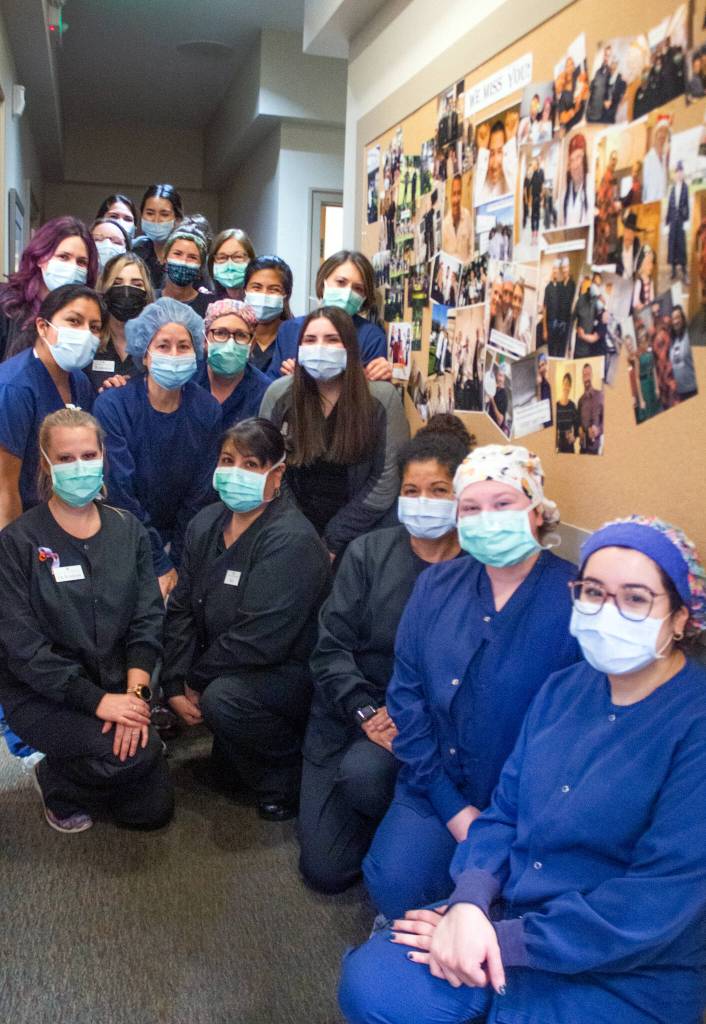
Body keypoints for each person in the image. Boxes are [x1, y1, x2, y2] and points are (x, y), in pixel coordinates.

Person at [340, 515, 706, 1024]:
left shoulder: (694, 726)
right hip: (512, 911)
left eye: (636, 598)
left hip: (626, 965)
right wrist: (469, 901)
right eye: (593, 592)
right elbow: (504, 811)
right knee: (372, 982)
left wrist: (500, 939)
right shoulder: (564, 689)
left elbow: (658, 902)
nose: (607, 612)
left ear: (682, 617)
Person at [361, 445, 581, 919]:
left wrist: (501, 826)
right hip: (438, 786)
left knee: (513, 902)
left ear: (538, 513)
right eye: (472, 508)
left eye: (503, 505)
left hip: (530, 807)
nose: (487, 519)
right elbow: (407, 698)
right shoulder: (436, 587)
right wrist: (455, 811)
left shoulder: (576, 601)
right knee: (393, 882)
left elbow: (577, 734)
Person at [298, 425, 470, 894]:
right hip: (356, 713)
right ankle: (392, 821)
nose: (423, 501)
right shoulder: (367, 552)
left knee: (369, 775)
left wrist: (416, 724)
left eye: (439, 491)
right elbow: (330, 648)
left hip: (433, 727)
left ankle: (407, 828)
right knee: (325, 870)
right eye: (412, 490)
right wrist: (366, 713)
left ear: (462, 496)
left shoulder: (479, 566)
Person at [0, 407, 173, 833]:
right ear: (46, 464)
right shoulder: (17, 542)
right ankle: (56, 778)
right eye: (65, 459)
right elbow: (24, 650)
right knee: (138, 753)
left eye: (88, 455)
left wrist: (135, 696)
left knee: (149, 814)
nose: (79, 467)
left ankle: (103, 767)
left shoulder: (128, 529)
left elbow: (147, 620)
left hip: (120, 685)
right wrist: (99, 702)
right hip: (44, 697)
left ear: (102, 458)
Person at [161, 417, 331, 821]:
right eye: (227, 460)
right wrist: (173, 681)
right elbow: (182, 605)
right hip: (224, 661)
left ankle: (288, 775)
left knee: (224, 700)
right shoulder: (206, 523)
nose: (236, 473)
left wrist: (195, 682)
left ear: (277, 475)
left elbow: (261, 638)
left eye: (252, 465)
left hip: (287, 670)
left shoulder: (292, 539)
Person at [93, 298, 222, 599]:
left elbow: (200, 495)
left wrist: (177, 560)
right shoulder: (113, 406)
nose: (174, 355)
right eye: (163, 346)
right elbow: (121, 492)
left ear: (197, 352)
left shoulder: (207, 409)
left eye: (183, 346)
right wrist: (159, 563)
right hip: (124, 536)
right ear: (146, 355)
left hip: (183, 542)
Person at [260, 306, 409, 562]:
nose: (320, 348)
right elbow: (266, 466)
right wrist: (301, 533)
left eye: (332, 340)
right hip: (289, 526)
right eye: (310, 340)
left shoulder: (382, 398)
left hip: (360, 532)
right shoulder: (278, 393)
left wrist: (333, 539)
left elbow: (387, 479)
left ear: (350, 347)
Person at [0, 284, 102, 528]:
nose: (85, 333)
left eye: (95, 327)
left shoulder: (78, 381)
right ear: (43, 327)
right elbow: (5, 488)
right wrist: (11, 552)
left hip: (61, 517)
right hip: (21, 519)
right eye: (74, 322)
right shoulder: (14, 387)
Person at [268, 251, 390, 382]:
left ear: (364, 297)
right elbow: (273, 384)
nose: (348, 292)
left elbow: (371, 390)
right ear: (323, 282)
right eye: (341, 282)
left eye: (358, 288)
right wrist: (288, 381)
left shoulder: (371, 337)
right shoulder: (290, 330)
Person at [0, 217, 98, 361]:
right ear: (40, 257)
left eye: (81, 262)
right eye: (63, 257)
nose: (73, 267)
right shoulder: (6, 303)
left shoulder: (84, 318)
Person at [198, 299, 269, 429]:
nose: (230, 344)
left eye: (241, 335)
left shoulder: (263, 392)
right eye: (220, 333)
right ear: (205, 340)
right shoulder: (188, 381)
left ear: (251, 345)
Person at [87, 253, 154, 392]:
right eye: (117, 283)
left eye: (136, 284)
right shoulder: (88, 341)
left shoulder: (156, 344)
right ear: (104, 290)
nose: (126, 292)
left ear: (147, 293)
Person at [242, 255, 294, 375]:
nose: (264, 295)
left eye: (274, 289)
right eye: (256, 287)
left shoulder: (293, 337)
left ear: (286, 295)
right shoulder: (235, 336)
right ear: (245, 290)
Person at [132, 184, 184, 289]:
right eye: (150, 213)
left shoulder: (189, 253)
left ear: (177, 219)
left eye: (164, 214)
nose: (156, 220)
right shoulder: (135, 251)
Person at [157, 226, 214, 317]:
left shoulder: (211, 306)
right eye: (177, 254)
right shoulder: (149, 299)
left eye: (192, 257)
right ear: (165, 258)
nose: (183, 261)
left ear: (201, 266)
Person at [208, 229, 256, 300]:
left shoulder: (259, 302)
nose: (230, 266)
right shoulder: (206, 303)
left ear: (251, 260)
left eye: (237, 257)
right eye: (222, 257)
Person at [666, 161, 690, 282]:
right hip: (672, 222)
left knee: (681, 246)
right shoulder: (672, 188)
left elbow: (687, 205)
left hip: (680, 221)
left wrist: (686, 220)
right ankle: (674, 271)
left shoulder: (685, 188)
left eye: (681, 172)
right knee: (672, 246)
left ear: (682, 173)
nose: (679, 174)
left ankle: (685, 272)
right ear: (675, 174)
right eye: (677, 172)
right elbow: (669, 206)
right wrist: (667, 222)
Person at [476, 120, 510, 204]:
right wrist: (482, 149)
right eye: (491, 154)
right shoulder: (480, 181)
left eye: (500, 152)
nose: (494, 165)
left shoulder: (511, 181)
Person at [561, 132, 590, 226]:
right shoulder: (564, 195)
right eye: (572, 160)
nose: (575, 165)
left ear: (585, 160)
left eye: (579, 157)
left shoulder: (591, 188)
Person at [634, 324, 661, 423]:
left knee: (655, 411)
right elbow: (636, 378)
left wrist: (657, 387)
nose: (642, 341)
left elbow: (653, 368)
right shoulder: (637, 355)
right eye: (640, 338)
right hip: (644, 385)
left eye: (644, 337)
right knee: (648, 415)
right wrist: (640, 399)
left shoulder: (650, 350)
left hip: (652, 383)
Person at [669, 305, 697, 401]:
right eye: (673, 319)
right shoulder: (673, 341)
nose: (675, 321)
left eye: (677, 317)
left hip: (694, 389)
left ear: (683, 318)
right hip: (681, 393)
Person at [442, 175, 472, 260]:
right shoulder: (445, 225)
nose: (456, 199)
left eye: (459, 193)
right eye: (453, 194)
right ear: (449, 195)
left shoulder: (467, 216)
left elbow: (471, 250)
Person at [577, 363, 604, 454]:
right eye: (584, 375)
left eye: (588, 374)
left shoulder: (600, 395)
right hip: (582, 448)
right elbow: (578, 422)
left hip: (594, 450)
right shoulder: (580, 401)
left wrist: (598, 430)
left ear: (592, 376)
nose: (586, 378)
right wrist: (579, 428)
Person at [642, 119, 670, 203]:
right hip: (651, 202)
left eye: (665, 132)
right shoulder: (648, 158)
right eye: (661, 131)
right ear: (656, 134)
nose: (663, 135)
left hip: (664, 201)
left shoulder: (665, 158)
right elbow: (646, 186)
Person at [610, 211, 644, 278]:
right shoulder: (617, 244)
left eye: (632, 232)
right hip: (619, 280)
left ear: (634, 235)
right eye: (627, 231)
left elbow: (640, 265)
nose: (629, 235)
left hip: (632, 281)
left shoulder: (637, 245)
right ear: (624, 231)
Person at [555, 371, 578, 452]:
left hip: (570, 447)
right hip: (559, 447)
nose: (566, 387)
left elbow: (577, 425)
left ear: (570, 387)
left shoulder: (572, 406)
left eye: (568, 384)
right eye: (564, 384)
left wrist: (574, 436)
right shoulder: (556, 406)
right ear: (562, 385)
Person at [632, 245, 655, 313]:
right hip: (640, 311)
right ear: (642, 265)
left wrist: (652, 305)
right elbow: (635, 302)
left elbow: (652, 297)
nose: (651, 266)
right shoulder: (639, 282)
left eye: (651, 262)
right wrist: (643, 307)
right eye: (648, 263)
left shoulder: (651, 281)